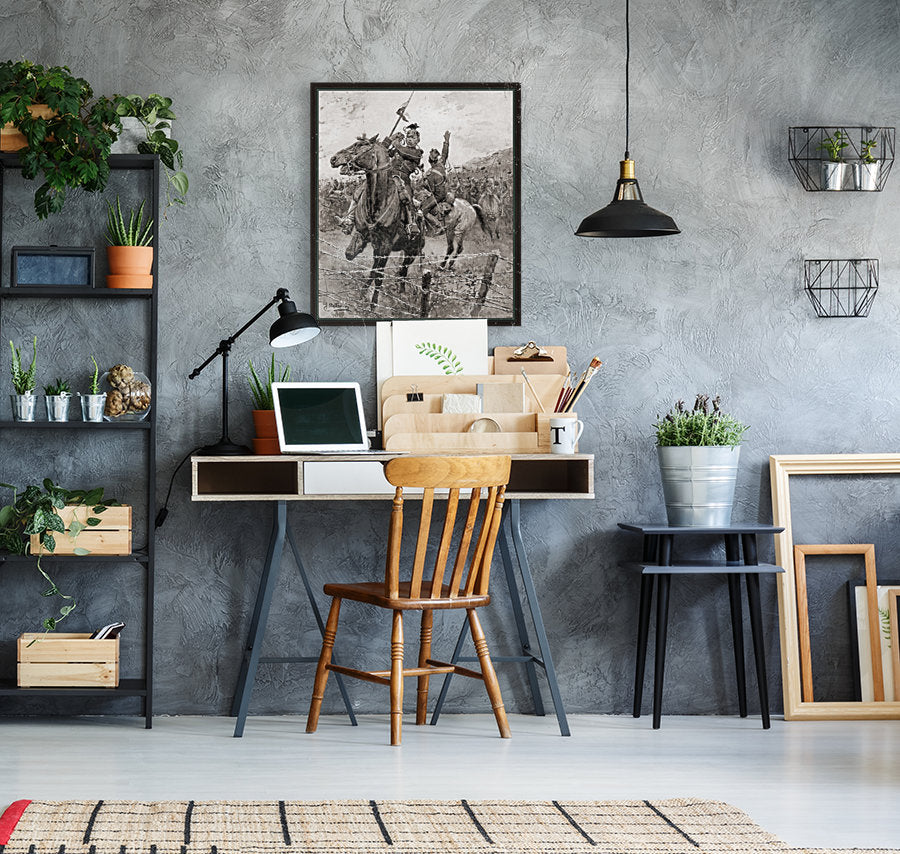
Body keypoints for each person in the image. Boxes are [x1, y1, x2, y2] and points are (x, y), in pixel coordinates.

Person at [386, 123, 423, 236]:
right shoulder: (399, 149)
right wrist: (391, 139)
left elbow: (403, 152)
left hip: (403, 180)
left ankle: (411, 224)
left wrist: (396, 143)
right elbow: (385, 151)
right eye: (408, 137)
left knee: (407, 197)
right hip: (390, 178)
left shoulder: (417, 153)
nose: (409, 139)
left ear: (418, 140)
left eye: (413, 137)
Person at [421, 130, 454, 232]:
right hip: (445, 192)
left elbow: (431, 189)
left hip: (438, 196)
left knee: (423, 210)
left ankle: (438, 226)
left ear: (430, 161)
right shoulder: (441, 164)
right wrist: (446, 141)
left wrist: (424, 183)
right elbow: (445, 153)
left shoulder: (430, 174)